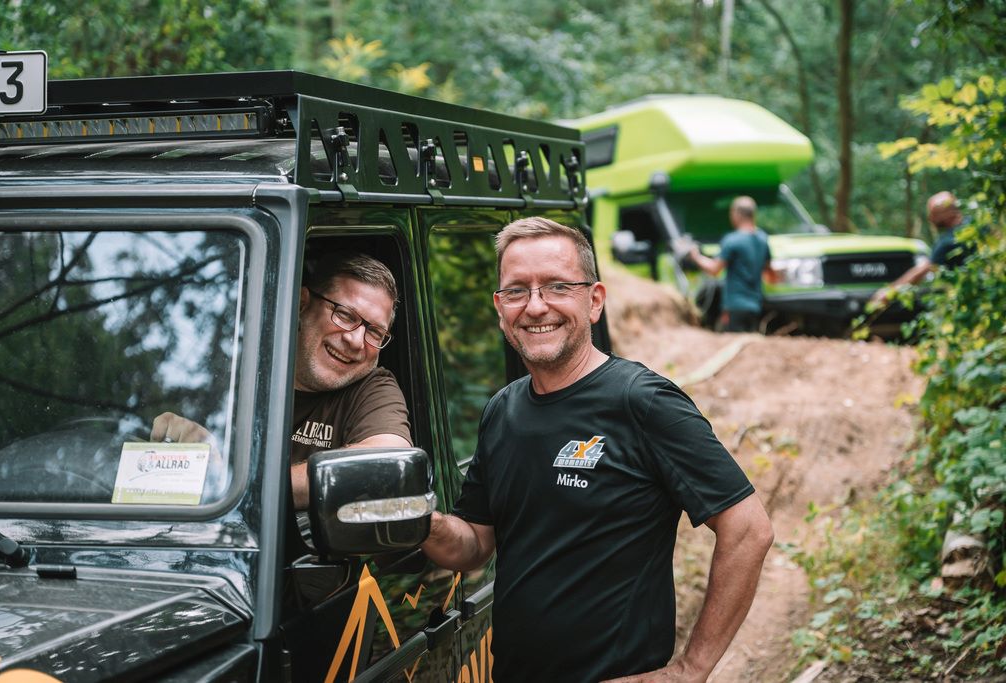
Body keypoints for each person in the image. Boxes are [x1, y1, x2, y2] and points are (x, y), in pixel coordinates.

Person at [422, 217, 774, 682]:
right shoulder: (502, 411)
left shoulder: (643, 401)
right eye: (516, 290)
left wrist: (690, 670)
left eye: (556, 287)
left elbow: (749, 530)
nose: (535, 306)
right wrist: (415, 519)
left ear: (594, 301)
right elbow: (474, 547)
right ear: (499, 306)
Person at [151, 252, 411, 510]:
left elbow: (386, 464)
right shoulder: (236, 369)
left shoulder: (372, 389)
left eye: (374, 332)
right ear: (302, 303)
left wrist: (231, 488)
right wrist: (175, 437)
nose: (355, 340)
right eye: (345, 315)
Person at [684, 196, 772, 333]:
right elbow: (769, 272)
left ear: (736, 214)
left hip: (735, 305)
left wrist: (696, 257)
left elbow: (714, 269)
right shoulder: (762, 239)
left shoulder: (732, 240)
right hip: (756, 305)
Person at [870, 191, 971, 306]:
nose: (930, 218)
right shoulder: (975, 225)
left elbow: (922, 270)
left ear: (946, 213)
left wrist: (889, 292)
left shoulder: (947, 241)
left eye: (933, 214)